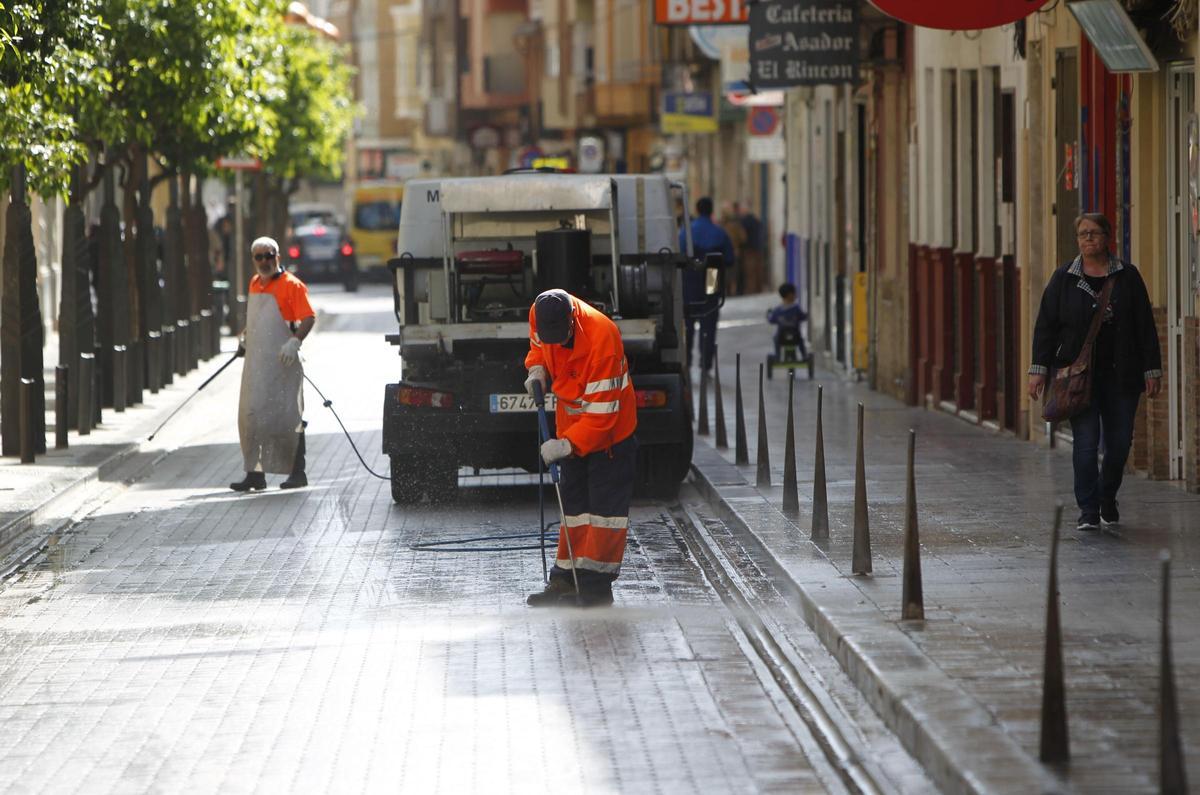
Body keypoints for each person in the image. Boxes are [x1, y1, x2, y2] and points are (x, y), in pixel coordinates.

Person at [1028, 213, 1161, 531]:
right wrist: (1038, 370)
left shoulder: (1128, 277)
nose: (1088, 239)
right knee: (1086, 445)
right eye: (1082, 234)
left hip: (1122, 376)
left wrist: (1152, 369)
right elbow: (1046, 325)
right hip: (1079, 377)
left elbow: (1145, 325)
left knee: (1118, 445)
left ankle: (1106, 496)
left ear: (1107, 237)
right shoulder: (1064, 278)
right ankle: (1088, 509)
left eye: (1094, 233)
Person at [523, 289, 638, 608]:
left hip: (611, 437)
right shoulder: (540, 312)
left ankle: (596, 586)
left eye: (562, 337)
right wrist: (537, 369)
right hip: (571, 428)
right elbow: (537, 347)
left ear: (573, 321)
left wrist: (565, 446)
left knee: (603, 514)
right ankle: (564, 579)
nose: (556, 343)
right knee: (574, 510)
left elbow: (602, 417)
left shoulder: (602, 338)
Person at [230, 236, 316, 492]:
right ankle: (255, 475)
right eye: (259, 257)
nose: (265, 261)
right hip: (257, 364)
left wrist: (294, 342)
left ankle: (297, 473)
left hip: (283, 362)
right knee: (252, 416)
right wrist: (246, 337)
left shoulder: (293, 285)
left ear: (278, 256)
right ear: (253, 260)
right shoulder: (255, 283)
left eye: (269, 256)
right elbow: (257, 320)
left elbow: (308, 318)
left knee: (288, 416)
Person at [678, 196, 734, 372]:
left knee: (687, 322)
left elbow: (679, 255)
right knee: (708, 322)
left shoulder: (686, 232)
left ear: (697, 209)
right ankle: (705, 363)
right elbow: (730, 259)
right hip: (712, 276)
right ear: (711, 211)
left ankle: (686, 360)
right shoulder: (720, 233)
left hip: (690, 277)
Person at [767, 282, 808, 360]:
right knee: (801, 340)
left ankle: (778, 355)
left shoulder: (777, 310)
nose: (796, 295)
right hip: (795, 336)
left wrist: (768, 315)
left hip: (781, 338)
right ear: (790, 294)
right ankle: (804, 355)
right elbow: (803, 317)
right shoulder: (796, 309)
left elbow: (771, 320)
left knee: (775, 339)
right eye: (794, 293)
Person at [719, 201, 747, 296]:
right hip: (735, 252)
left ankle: (723, 291)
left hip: (721, 254)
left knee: (722, 273)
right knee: (734, 273)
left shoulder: (719, 227)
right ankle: (732, 292)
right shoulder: (736, 225)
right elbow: (743, 238)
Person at [738, 201, 765, 295]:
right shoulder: (756, 220)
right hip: (758, 248)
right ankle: (758, 289)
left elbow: (743, 237)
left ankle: (751, 290)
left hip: (749, 249)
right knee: (758, 270)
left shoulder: (744, 222)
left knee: (750, 272)